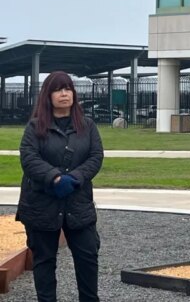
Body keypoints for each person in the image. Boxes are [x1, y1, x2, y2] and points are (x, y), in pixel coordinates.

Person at [17, 71, 104, 302]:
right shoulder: (35, 127)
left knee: (87, 257)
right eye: (58, 89)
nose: (64, 94)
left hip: (78, 203)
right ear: (48, 95)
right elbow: (29, 158)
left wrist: (74, 178)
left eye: (68, 89)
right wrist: (54, 177)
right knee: (44, 260)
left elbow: (95, 157)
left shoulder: (88, 126)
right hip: (42, 204)